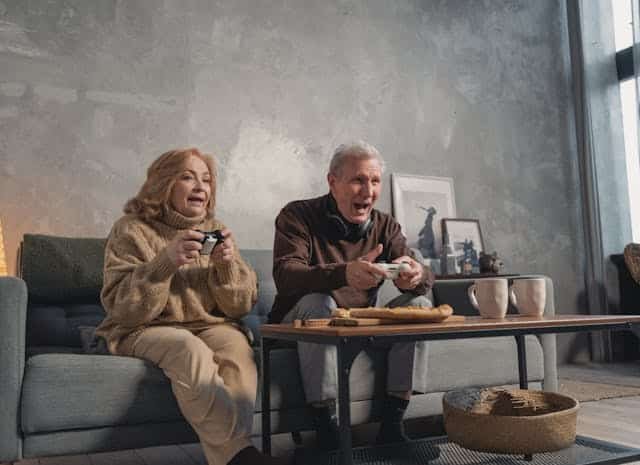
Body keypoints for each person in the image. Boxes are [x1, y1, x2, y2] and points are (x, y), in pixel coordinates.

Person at [95, 148, 287, 465]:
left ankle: (233, 458)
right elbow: (123, 309)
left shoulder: (215, 226)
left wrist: (225, 266)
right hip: (142, 329)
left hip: (209, 326)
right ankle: (240, 457)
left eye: (207, 179)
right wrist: (165, 262)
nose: (201, 186)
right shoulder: (130, 229)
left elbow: (239, 308)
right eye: (187, 177)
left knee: (237, 350)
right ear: (163, 183)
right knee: (186, 347)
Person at [270, 141, 435, 449]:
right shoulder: (297, 215)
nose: (368, 191)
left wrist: (415, 273)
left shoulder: (385, 224)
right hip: (297, 323)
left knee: (420, 305)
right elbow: (285, 276)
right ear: (332, 182)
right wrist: (343, 272)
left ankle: (392, 426)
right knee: (320, 302)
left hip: (357, 323)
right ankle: (327, 433)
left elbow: (424, 280)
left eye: (374, 181)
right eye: (358, 180)